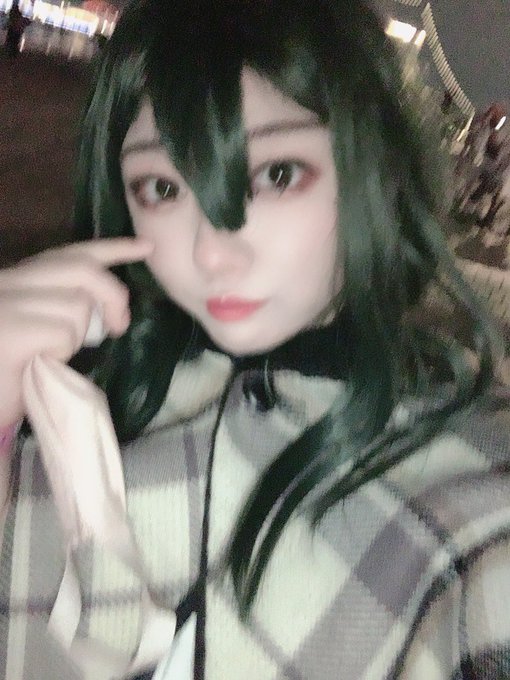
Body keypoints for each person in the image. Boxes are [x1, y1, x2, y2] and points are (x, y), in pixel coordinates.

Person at [1, 1, 510, 678]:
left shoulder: (474, 497)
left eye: (276, 175)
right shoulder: (66, 390)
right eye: (161, 188)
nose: (213, 253)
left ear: (376, 172)